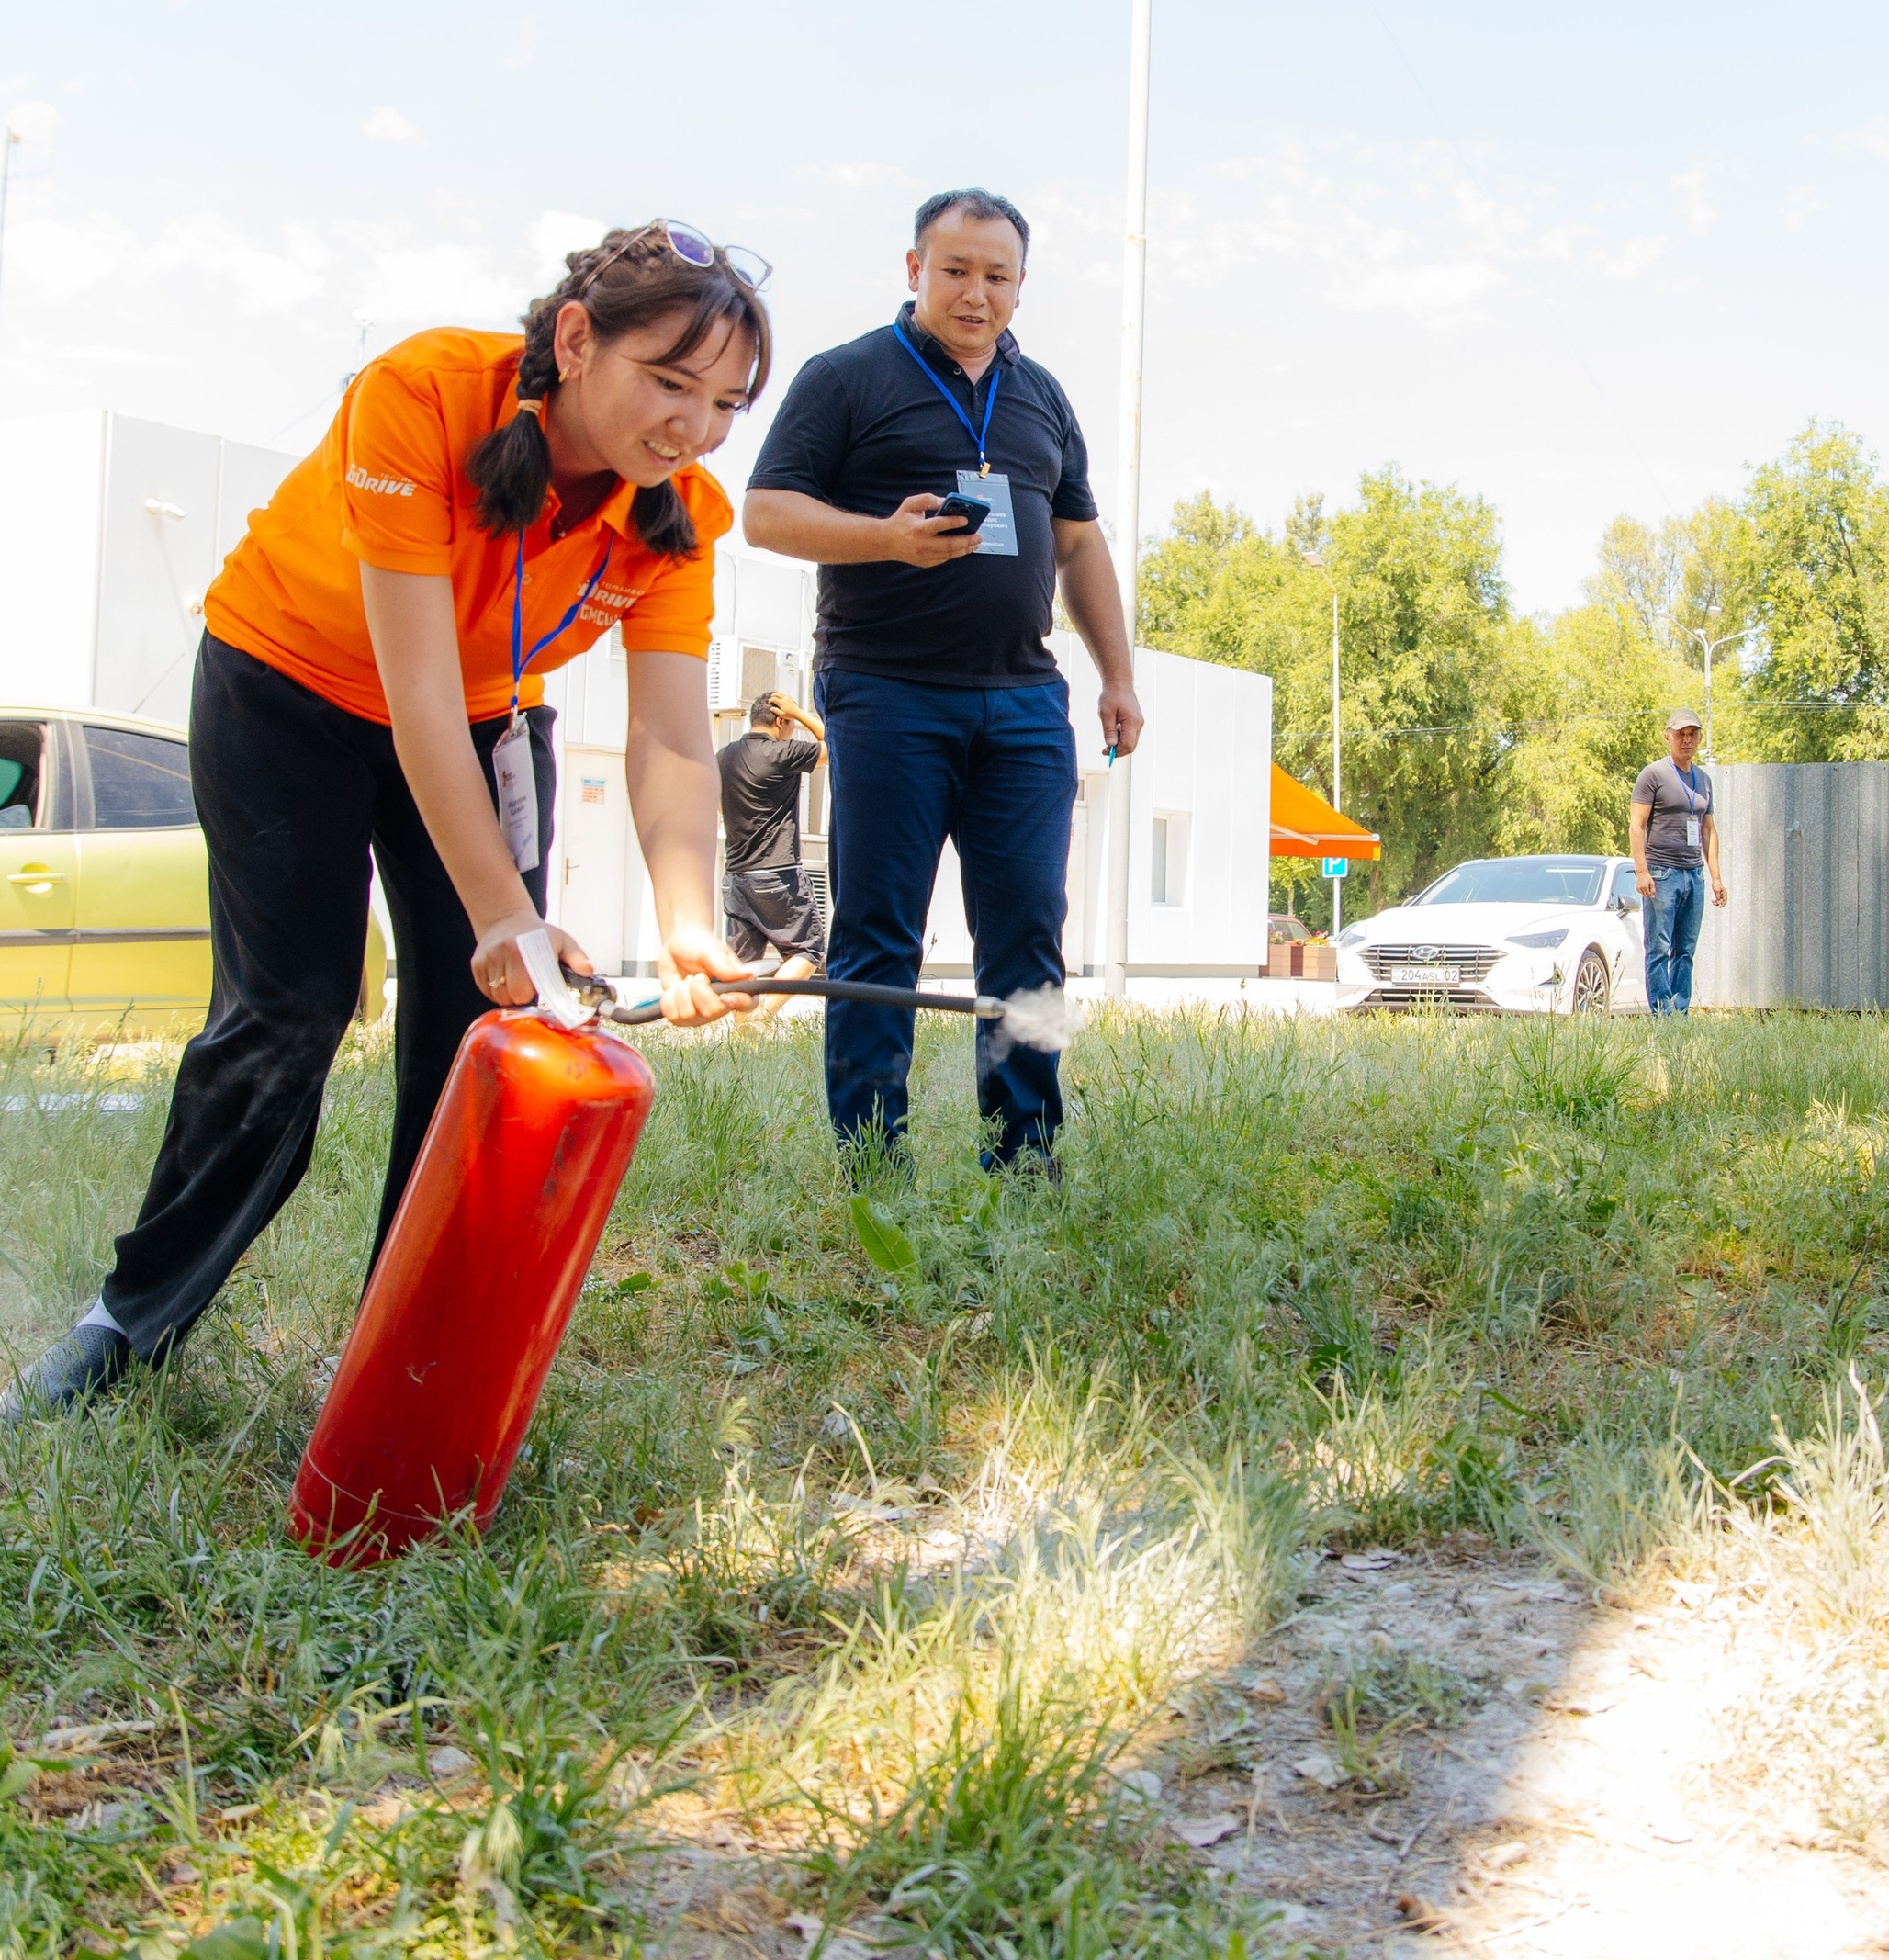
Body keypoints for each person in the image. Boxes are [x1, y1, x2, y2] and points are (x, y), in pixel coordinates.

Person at [7, 221, 766, 1419]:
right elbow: (412, 696)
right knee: (288, 1013)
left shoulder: (683, 515)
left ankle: (400, 1363)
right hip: (288, 691)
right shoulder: (422, 393)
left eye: (725, 402)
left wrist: (687, 924)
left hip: (481, 722)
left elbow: (670, 736)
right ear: (576, 340)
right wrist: (509, 912)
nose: (695, 427)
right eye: (671, 382)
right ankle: (130, 1321)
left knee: (489, 1028)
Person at [742, 187, 1143, 1171]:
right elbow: (764, 513)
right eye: (955, 270)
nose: (976, 293)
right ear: (914, 269)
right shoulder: (846, 377)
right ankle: (875, 1165)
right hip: (886, 690)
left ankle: (1027, 1157)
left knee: (1030, 941)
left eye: (997, 276)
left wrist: (1117, 676)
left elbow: (1080, 543)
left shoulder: (1042, 394)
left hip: (1023, 699)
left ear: (1019, 284)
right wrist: (883, 538)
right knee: (880, 935)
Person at [716, 688, 828, 992]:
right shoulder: (782, 752)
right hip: (777, 873)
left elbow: (717, 804)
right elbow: (834, 745)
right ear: (781, 721)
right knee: (808, 950)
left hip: (737, 876)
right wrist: (801, 714)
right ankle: (764, 1015)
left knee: (742, 965)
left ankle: (745, 1028)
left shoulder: (724, 756)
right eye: (789, 721)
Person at [1630, 708, 1726, 1016]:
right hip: (1662, 873)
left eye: (1693, 734)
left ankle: (1679, 1012)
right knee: (1658, 948)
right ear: (1667, 736)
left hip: (1693, 875)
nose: (1687, 740)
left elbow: (1708, 829)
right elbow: (1636, 826)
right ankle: (1662, 1015)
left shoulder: (1704, 779)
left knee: (1685, 950)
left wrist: (1716, 878)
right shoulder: (1653, 774)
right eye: (1680, 734)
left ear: (1700, 737)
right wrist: (1643, 872)